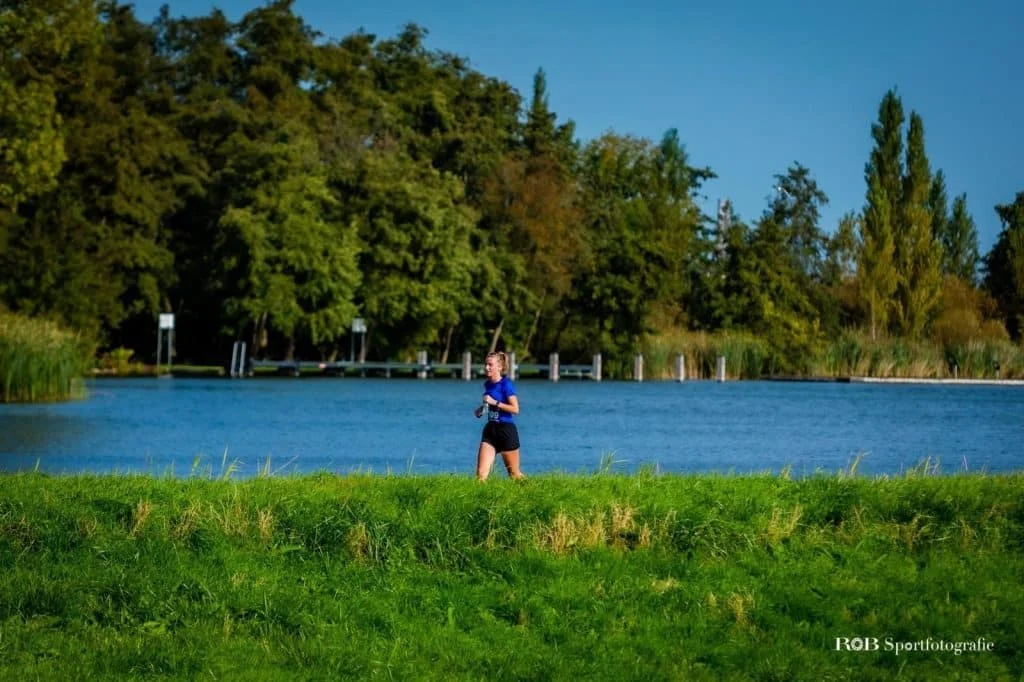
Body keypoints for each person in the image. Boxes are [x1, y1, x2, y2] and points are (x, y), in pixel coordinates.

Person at [473, 351, 524, 480]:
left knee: (514, 475)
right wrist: (481, 409)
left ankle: (534, 494)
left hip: (506, 430)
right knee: (480, 476)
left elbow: (515, 409)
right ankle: (481, 499)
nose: (486, 368)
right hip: (490, 431)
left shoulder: (506, 385)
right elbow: (490, 404)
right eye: (486, 364)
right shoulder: (487, 384)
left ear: (500, 367)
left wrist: (494, 402)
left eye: (490, 365)